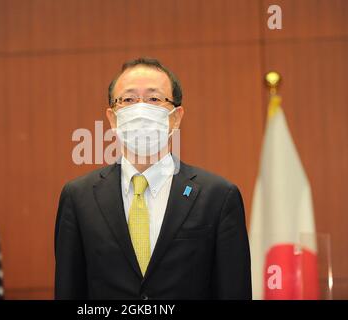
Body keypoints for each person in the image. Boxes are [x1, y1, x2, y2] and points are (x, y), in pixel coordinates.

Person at [54, 57, 251, 299]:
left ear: (176, 118)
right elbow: (69, 290)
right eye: (128, 99)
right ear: (112, 118)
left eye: (154, 99)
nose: (140, 109)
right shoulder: (78, 197)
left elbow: (234, 290)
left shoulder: (218, 196)